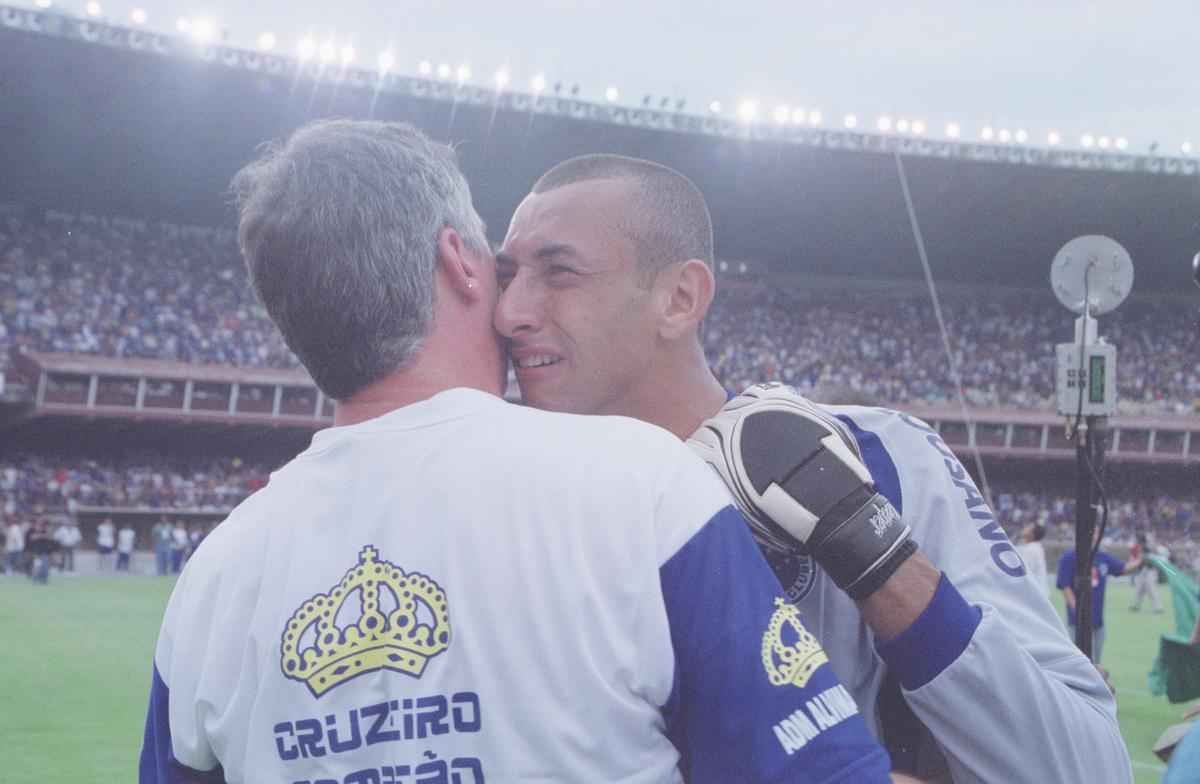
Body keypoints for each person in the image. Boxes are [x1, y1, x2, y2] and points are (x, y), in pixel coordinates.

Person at [140, 120, 893, 784]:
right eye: (501, 269)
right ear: (459, 261)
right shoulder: (638, 484)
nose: (514, 303)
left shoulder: (213, 578)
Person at [494, 153, 1132, 783]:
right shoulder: (502, 513)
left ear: (680, 298)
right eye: (507, 276)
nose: (509, 312)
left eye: (559, 273)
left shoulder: (881, 456)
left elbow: (1087, 770)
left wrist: (871, 549)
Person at [1056, 527, 1141, 664]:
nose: (1095, 536)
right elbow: (1065, 587)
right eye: (1092, 533)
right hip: (1078, 622)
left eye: (1096, 533)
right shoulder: (1069, 557)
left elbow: (1123, 568)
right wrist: (1078, 610)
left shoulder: (1102, 557)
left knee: (1096, 662)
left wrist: (1143, 560)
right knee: (1080, 661)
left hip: (1098, 620)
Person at [1130, 533, 1164, 612]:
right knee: (1139, 589)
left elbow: (1150, 558)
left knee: (1151, 589)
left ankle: (1158, 607)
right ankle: (1136, 605)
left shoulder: (1148, 548)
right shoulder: (1141, 548)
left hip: (1149, 571)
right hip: (1142, 571)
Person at [1014, 523, 1048, 598]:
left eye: (1028, 527)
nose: (1025, 528)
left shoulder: (1031, 550)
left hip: (1034, 594)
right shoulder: (1034, 547)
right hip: (1037, 592)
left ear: (1032, 534)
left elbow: (1023, 572)